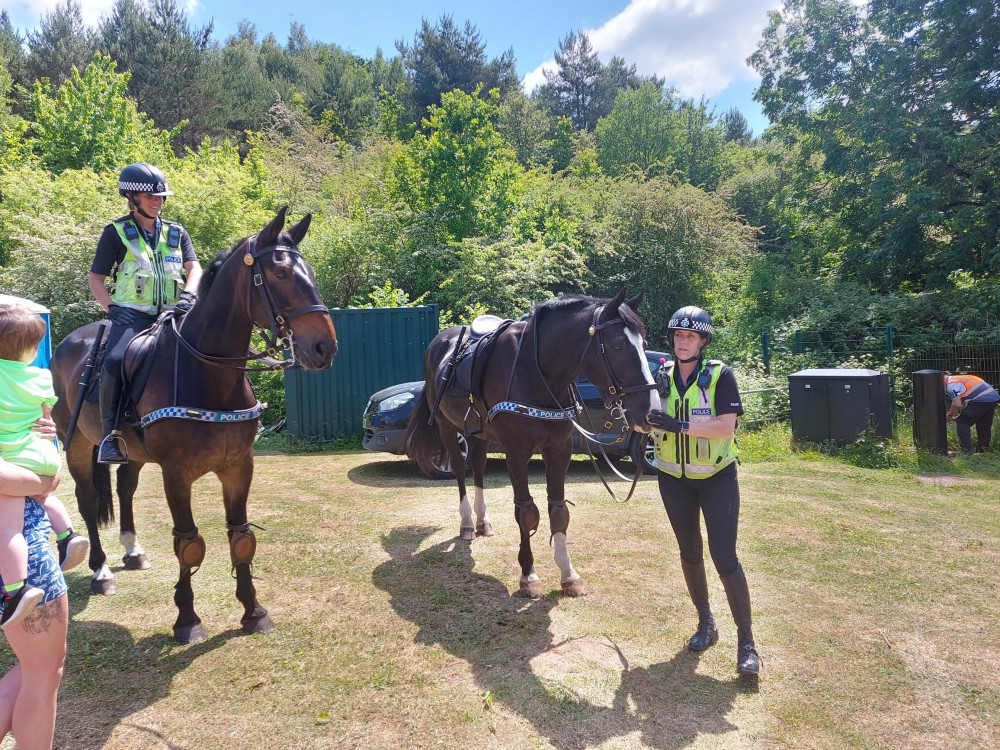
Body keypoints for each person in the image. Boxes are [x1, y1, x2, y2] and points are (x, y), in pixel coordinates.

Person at [647, 306, 760, 678]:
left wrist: (677, 425)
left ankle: (747, 643)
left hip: (716, 478)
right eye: (678, 335)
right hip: (672, 478)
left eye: (690, 336)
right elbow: (648, 422)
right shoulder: (659, 375)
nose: (683, 341)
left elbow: (725, 429)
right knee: (689, 553)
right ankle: (706, 624)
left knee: (724, 558)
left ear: (703, 341)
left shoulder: (719, 375)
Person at [88, 163, 202, 464]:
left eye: (162, 197)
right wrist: (111, 308)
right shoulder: (115, 233)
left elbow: (195, 268)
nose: (158, 202)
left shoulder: (177, 232)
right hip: (133, 317)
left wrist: (189, 294)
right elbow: (95, 278)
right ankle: (110, 436)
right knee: (114, 361)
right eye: (152, 197)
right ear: (131, 197)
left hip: (175, 314)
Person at [0, 303, 88, 630]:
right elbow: (44, 417)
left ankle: (16, 588)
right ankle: (67, 534)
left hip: (12, 457)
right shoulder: (39, 377)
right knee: (42, 495)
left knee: (8, 529)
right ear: (28, 350)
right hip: (42, 453)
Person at [0, 420, 69, 749]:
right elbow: (45, 481)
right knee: (43, 671)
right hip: (24, 556)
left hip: (26, 546)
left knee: (37, 666)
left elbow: (53, 475)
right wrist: (40, 478)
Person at [944, 373, 1000, 455]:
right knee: (983, 424)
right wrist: (961, 415)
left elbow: (957, 404)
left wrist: (949, 414)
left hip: (980, 399)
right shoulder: (959, 378)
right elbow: (967, 402)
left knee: (962, 422)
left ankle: (967, 451)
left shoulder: (951, 384)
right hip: (993, 398)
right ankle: (984, 451)